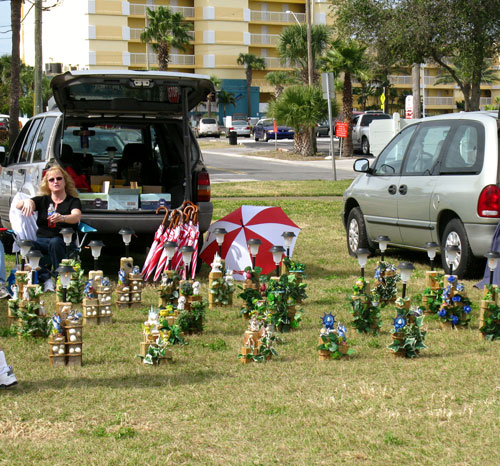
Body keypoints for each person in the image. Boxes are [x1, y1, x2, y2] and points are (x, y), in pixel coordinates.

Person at [16, 165, 82, 292]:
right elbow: (18, 205)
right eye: (51, 180)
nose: (55, 182)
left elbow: (76, 216)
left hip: (64, 242)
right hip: (42, 241)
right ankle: (46, 280)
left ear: (65, 181)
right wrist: (27, 202)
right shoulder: (43, 200)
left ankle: (59, 279)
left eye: (59, 178)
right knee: (28, 245)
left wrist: (62, 218)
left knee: (55, 242)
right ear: (47, 183)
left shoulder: (72, 201)